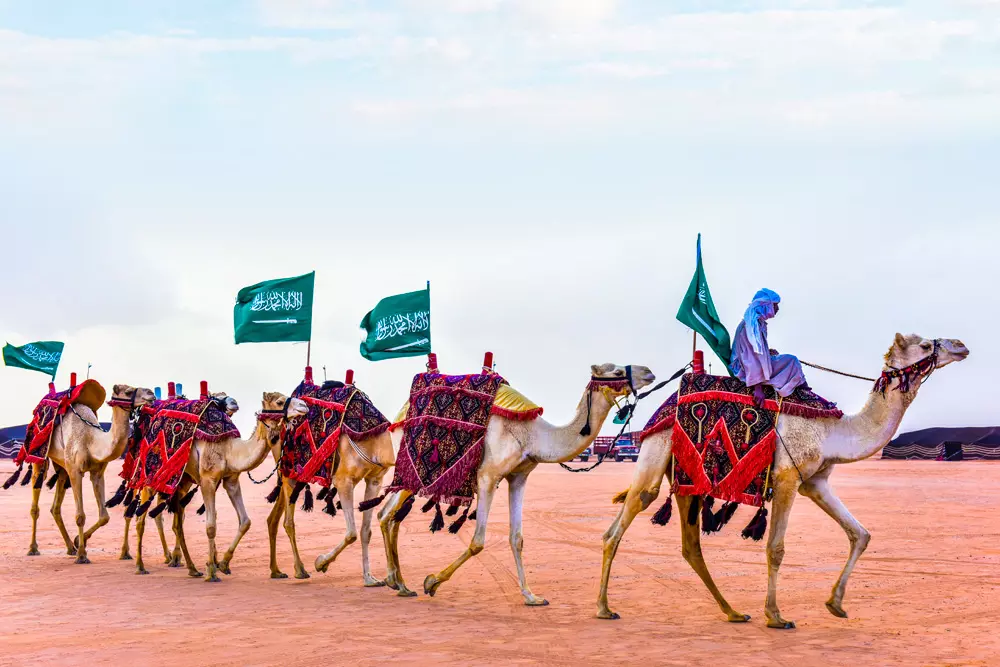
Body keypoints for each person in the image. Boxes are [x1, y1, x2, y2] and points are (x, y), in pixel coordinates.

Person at [730, 289, 807, 407]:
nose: (777, 309)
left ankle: (803, 391)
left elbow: (756, 352)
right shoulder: (751, 326)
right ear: (765, 305)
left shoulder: (757, 323)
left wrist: (768, 353)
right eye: (775, 305)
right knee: (792, 361)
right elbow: (750, 357)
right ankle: (805, 393)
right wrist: (758, 387)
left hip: (751, 363)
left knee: (788, 360)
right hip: (745, 368)